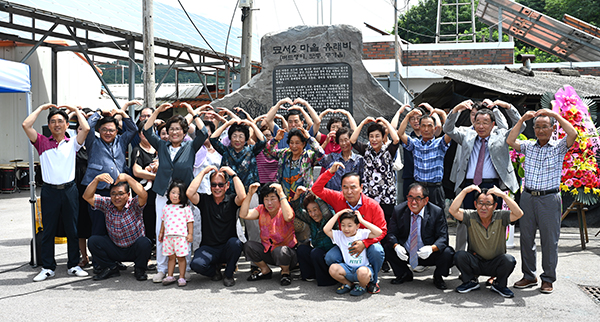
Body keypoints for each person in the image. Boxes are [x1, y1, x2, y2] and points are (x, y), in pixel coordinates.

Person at [507, 109, 577, 294]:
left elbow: (573, 133)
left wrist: (555, 116)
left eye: (545, 126)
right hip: (528, 197)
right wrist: (523, 118)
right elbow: (510, 141)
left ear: (553, 128)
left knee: (549, 241)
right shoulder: (529, 146)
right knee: (526, 238)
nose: (540, 130)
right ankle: (529, 275)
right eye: (537, 127)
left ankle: (548, 279)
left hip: (549, 198)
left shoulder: (559, 147)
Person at [444, 100, 525, 252]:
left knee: (495, 224)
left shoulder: (501, 135)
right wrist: (456, 109)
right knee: (470, 223)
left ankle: (496, 259)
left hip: (492, 186)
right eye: (477, 122)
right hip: (469, 186)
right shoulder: (466, 135)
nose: (481, 126)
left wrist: (507, 106)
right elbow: (448, 129)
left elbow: (521, 125)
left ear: (493, 124)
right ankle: (470, 262)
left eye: (485, 122)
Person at [23, 104, 90, 281]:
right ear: (49, 126)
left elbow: (87, 128)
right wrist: (41, 108)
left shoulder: (73, 143)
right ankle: (47, 267)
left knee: (72, 229)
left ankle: (74, 265)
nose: (57, 124)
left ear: (67, 125)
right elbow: (25, 125)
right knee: (48, 230)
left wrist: (75, 111)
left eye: (60, 121)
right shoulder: (41, 142)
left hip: (69, 190)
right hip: (49, 191)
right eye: (53, 122)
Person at [143, 102, 208, 283]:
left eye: (178, 129)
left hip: (183, 197)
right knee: (161, 231)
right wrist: (157, 111)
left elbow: (204, 134)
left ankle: (184, 268)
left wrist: (193, 114)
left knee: (183, 232)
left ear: (184, 131)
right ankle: (162, 268)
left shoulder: (190, 147)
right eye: (171, 129)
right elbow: (147, 131)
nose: (174, 132)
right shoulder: (162, 146)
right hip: (163, 194)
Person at [312, 162, 387, 294]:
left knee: (377, 250)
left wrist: (364, 243)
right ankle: (347, 280)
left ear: (361, 188)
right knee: (330, 257)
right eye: (345, 187)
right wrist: (330, 172)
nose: (349, 191)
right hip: (345, 241)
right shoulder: (338, 198)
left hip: (368, 243)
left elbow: (382, 230)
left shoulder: (373, 205)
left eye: (353, 187)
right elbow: (316, 189)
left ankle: (372, 281)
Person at [449, 185, 524, 298]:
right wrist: (465, 191)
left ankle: (499, 284)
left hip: (496, 263)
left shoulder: (501, 216)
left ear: (495, 206)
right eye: (480, 203)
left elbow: (519, 213)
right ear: (475, 204)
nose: (483, 207)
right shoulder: (470, 216)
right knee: (459, 255)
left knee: (509, 260)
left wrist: (503, 195)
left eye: (488, 204)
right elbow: (453, 211)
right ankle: (470, 281)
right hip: (476, 262)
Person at [384, 183, 454, 290]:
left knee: (448, 253)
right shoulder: (399, 210)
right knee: (387, 247)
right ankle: (403, 274)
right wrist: (396, 246)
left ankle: (438, 276)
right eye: (410, 197)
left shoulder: (436, 212)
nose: (413, 202)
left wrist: (432, 248)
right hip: (406, 253)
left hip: (427, 253)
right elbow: (391, 233)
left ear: (426, 200)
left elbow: (443, 238)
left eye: (418, 198)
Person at [82, 103, 138, 236]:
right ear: (99, 130)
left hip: (118, 190)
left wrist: (122, 114)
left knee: (116, 226)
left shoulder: (121, 140)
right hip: (99, 190)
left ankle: (114, 254)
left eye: (111, 130)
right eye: (105, 130)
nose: (108, 133)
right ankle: (98, 255)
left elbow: (133, 129)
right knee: (98, 225)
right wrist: (99, 112)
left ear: (116, 131)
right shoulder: (93, 141)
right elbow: (88, 127)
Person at [83, 173, 151, 281]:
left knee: (144, 242)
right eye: (113, 194)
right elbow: (87, 196)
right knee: (93, 241)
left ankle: (140, 269)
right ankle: (111, 268)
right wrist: (96, 179)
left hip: (133, 249)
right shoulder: (107, 204)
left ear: (128, 195)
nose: (117, 197)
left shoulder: (134, 205)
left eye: (120, 193)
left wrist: (128, 178)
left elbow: (143, 194)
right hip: (115, 249)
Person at [186, 166, 245, 287]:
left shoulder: (232, 200)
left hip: (227, 247)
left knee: (237, 244)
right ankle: (215, 272)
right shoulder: (204, 200)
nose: (217, 188)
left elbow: (243, 196)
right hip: (209, 248)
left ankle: (228, 274)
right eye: (213, 185)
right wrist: (203, 172)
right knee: (196, 264)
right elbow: (189, 193)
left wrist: (233, 174)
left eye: (221, 185)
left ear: (227, 185)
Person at [240, 182, 297, 286]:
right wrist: (250, 194)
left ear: (279, 198)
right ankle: (265, 270)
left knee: (280, 250)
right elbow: (243, 214)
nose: (269, 203)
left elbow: (289, 217)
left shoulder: (283, 207)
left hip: (287, 254)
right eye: (266, 199)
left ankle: (285, 272)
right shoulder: (261, 209)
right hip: (269, 251)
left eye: (272, 198)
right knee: (249, 246)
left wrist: (281, 193)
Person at [398, 107, 451, 210]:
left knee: (437, 219)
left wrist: (444, 115)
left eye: (429, 126)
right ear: (420, 128)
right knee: (418, 217)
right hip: (418, 188)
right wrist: (408, 115)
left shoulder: (440, 143)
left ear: (435, 128)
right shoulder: (415, 143)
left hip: (435, 188)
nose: (426, 129)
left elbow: (449, 132)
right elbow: (400, 133)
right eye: (423, 126)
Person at [350, 116, 400, 223]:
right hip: (370, 194)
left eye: (377, 136)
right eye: (371, 136)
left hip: (387, 195)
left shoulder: (388, 150)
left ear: (383, 137)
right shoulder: (365, 150)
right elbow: (352, 140)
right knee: (370, 223)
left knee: (386, 223)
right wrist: (363, 123)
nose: (374, 139)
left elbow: (396, 139)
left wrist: (385, 122)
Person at [324, 209, 383, 296]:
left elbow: (379, 232)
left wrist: (362, 220)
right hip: (348, 268)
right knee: (333, 269)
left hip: (363, 269)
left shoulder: (362, 233)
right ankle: (347, 284)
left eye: (350, 225)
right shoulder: (339, 235)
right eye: (343, 225)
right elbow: (326, 229)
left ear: (357, 226)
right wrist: (338, 214)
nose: (346, 229)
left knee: (363, 272)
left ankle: (362, 286)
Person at [290, 188, 337, 286]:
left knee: (316, 253)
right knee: (302, 249)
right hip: (318, 254)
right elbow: (297, 211)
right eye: (309, 211)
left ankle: (327, 280)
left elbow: (325, 210)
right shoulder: (310, 219)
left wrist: (315, 194)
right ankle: (310, 275)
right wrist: (297, 195)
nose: (313, 214)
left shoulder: (330, 216)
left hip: (333, 256)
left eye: (315, 210)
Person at [264, 127, 325, 199]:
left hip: (303, 198)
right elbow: (267, 152)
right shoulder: (284, 154)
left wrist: (309, 138)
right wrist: (276, 139)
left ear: (303, 144)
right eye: (291, 142)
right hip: (284, 197)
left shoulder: (308, 156)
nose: (294, 146)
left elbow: (321, 153)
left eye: (297, 143)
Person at [210, 119, 266, 193]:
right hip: (229, 193)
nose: (237, 140)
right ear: (230, 138)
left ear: (246, 139)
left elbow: (262, 141)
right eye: (234, 136)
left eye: (241, 137)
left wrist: (252, 125)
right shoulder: (226, 151)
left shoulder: (251, 151)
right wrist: (227, 124)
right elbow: (213, 139)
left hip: (249, 192)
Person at [158, 181, 194, 287]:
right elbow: (163, 221)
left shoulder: (185, 208)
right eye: (173, 192)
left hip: (181, 237)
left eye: (178, 194)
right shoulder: (166, 208)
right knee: (171, 258)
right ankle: (170, 275)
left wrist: (190, 234)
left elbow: (190, 222)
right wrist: (161, 233)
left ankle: (182, 276)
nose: (175, 196)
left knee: (181, 258)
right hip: (168, 237)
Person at [131, 120, 158, 241]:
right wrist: (157, 176)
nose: (146, 134)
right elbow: (137, 171)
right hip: (144, 193)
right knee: (146, 220)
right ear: (140, 134)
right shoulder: (137, 150)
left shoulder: (159, 149)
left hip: (159, 192)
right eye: (143, 132)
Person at [318, 127, 364, 191]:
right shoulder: (332, 157)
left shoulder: (359, 160)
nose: (343, 143)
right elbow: (317, 157)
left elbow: (363, 180)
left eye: (346, 140)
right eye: (341, 140)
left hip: (351, 197)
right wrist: (326, 142)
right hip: (332, 196)